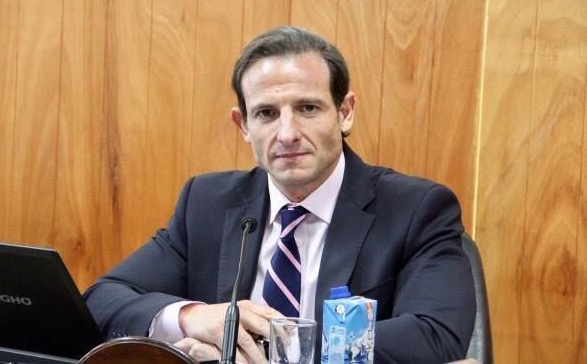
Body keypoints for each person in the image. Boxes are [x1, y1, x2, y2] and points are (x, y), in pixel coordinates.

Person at [84, 26, 475, 363]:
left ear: (345, 113)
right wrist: (191, 317)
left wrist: (274, 347)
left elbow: (435, 335)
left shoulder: (415, 209)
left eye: (307, 108)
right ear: (243, 125)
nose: (287, 134)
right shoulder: (206, 203)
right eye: (266, 113)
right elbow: (102, 299)